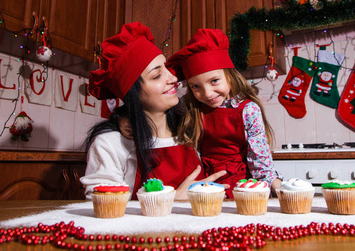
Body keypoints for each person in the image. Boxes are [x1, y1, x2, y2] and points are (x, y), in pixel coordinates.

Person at [80, 22, 227, 200]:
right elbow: (103, 209)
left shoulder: (188, 128)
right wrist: (173, 200)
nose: (173, 78)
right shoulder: (111, 144)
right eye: (157, 75)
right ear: (132, 93)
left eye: (167, 69)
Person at [166, 29, 282, 198]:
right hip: (203, 187)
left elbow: (260, 161)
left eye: (214, 81)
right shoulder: (191, 108)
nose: (207, 94)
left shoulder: (248, 110)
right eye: (195, 86)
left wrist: (276, 186)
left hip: (242, 187)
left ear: (229, 75)